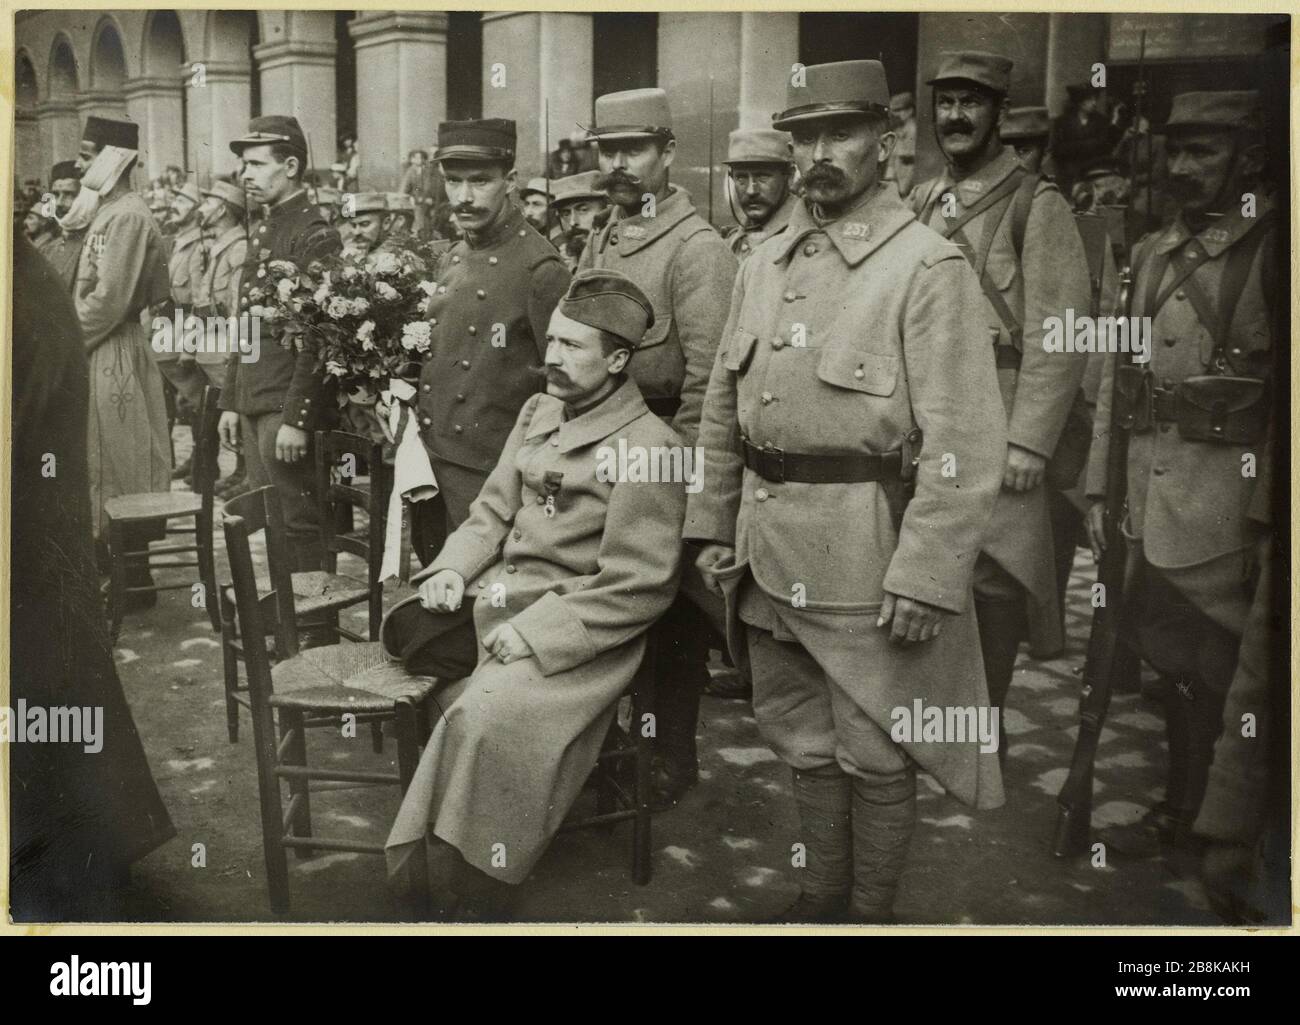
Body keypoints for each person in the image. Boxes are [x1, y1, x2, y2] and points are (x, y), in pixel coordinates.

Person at [686, 59, 1008, 923]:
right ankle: (819, 898)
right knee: (801, 737)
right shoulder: (764, 257)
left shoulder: (925, 267)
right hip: (766, 544)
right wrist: (711, 520)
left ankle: (870, 915)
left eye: (842, 133)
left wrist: (927, 573)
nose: (820, 153)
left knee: (874, 747)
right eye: (806, 137)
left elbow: (965, 444)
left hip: (866, 553)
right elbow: (724, 402)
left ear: (887, 139)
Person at [384, 269, 685, 918]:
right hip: (498, 603)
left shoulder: (651, 447)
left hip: (579, 638)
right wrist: (451, 570)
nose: (550, 357)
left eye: (572, 347)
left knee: (481, 717)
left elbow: (640, 585)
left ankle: (477, 883)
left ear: (618, 358)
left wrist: (536, 633)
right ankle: (450, 851)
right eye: (551, 341)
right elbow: (492, 512)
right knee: (406, 633)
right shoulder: (539, 409)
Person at [1084, 92, 1277, 866]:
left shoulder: (1273, 248)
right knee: (1179, 667)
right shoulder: (1152, 252)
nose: (1185, 166)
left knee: (1245, 676)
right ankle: (1184, 811)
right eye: (1179, 150)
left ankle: (1246, 835)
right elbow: (1115, 383)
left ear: (1250, 158)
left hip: (1232, 503)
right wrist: (1101, 488)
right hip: (1150, 496)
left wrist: (1270, 518)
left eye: (1206, 151)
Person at [910, 51, 1089, 751]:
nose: (955, 116)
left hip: (1002, 411)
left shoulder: (1034, 204)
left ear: (997, 113)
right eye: (946, 101)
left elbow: (1061, 331)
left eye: (971, 103)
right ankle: (941, 715)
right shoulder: (923, 200)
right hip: (932, 414)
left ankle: (983, 727)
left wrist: (1030, 441)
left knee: (996, 575)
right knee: (936, 562)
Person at [578, 87, 738, 808]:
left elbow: (709, 384)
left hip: (663, 455)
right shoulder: (602, 235)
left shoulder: (697, 250)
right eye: (608, 149)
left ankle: (672, 753)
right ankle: (609, 746)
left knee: (669, 617)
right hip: (599, 449)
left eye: (634, 149)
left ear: (668, 153)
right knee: (603, 605)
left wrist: (671, 482)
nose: (618, 164)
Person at [10, 237, 175, 920]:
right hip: (31, 549)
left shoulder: (21, 295)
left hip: (27, 549)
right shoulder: (22, 274)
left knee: (47, 701)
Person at [410, 118, 570, 566]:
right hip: (435, 459)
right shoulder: (455, 256)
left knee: (481, 596)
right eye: (453, 181)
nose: (464, 197)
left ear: (511, 182)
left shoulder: (541, 269)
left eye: (480, 181)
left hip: (491, 475)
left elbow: (561, 386)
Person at [218, 115, 342, 572]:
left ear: (290, 165)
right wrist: (232, 399)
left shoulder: (315, 234)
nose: (244, 175)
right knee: (272, 516)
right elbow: (246, 321)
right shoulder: (268, 227)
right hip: (259, 401)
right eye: (242, 165)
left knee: (299, 521)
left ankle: (314, 630)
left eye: (255, 164)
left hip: (285, 407)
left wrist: (297, 417)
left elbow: (321, 334)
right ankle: (288, 620)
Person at [72, 115, 174, 603]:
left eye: (88, 153)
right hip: (101, 346)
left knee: (121, 457)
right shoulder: (107, 211)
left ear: (116, 160)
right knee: (100, 456)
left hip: (112, 348)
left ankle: (133, 577)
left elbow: (110, 302)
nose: (79, 162)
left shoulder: (128, 216)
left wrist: (65, 340)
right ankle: (117, 571)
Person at [190, 180, 250, 498]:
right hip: (212, 337)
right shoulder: (220, 247)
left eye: (208, 202)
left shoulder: (239, 248)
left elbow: (240, 306)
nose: (201, 209)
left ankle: (247, 472)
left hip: (228, 340)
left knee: (237, 403)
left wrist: (234, 349)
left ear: (223, 209)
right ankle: (241, 471)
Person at [161, 180, 210, 484]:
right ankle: (197, 460)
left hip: (192, 323)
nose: (174, 205)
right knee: (187, 401)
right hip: (174, 320)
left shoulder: (198, 245)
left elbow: (197, 299)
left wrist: (189, 344)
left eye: (182, 200)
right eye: (175, 198)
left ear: (195, 209)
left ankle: (205, 465)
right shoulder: (179, 240)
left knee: (199, 399)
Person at [721, 127, 796, 261]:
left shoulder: (800, 237)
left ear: (789, 175)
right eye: (741, 178)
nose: (751, 191)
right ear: (731, 178)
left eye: (763, 177)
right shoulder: (731, 242)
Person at [1051, 83, 1122, 199]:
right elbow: (1058, 149)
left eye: (1095, 99)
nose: (1094, 103)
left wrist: (1076, 146)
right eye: (1090, 99)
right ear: (1080, 102)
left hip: (1093, 173)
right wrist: (1091, 144)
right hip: (1069, 174)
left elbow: (1105, 146)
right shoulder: (1063, 122)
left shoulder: (1101, 121)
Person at [549, 170, 608, 271]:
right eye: (566, 213)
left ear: (605, 210)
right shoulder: (563, 267)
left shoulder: (615, 261)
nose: (572, 222)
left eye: (583, 210)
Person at [44, 160, 86, 288]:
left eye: (69, 194)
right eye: (56, 194)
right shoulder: (49, 249)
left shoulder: (94, 244)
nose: (60, 203)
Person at [1002, 105, 1052, 175]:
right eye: (1006, 152)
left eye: (1023, 151)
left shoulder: (1046, 186)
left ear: (1045, 154)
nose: (1013, 160)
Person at [885, 91, 917, 196]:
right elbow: (892, 159)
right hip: (897, 179)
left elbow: (909, 159)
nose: (895, 114)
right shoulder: (897, 130)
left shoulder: (913, 130)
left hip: (908, 179)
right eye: (893, 110)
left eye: (898, 110)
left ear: (910, 110)